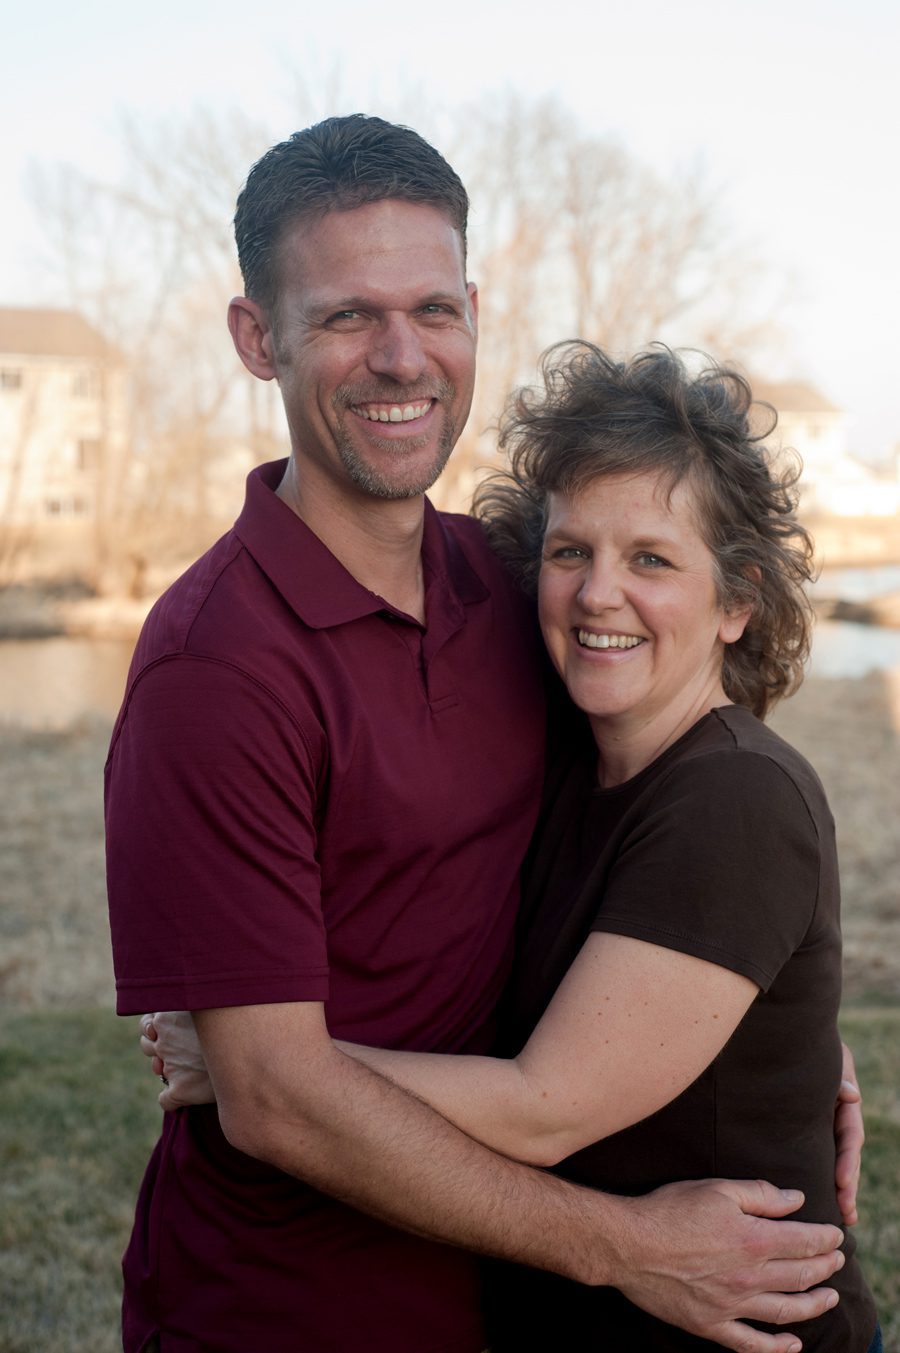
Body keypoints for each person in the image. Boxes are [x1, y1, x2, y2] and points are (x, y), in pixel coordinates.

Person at [108, 114, 850, 1353]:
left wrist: (785, 1038)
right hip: (291, 1309)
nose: (402, 356)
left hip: (502, 1299)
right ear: (258, 338)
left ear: (473, 315)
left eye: (434, 309)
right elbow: (278, 1105)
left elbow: (706, 822)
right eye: (348, 316)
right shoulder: (214, 670)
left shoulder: (508, 591)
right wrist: (627, 1247)